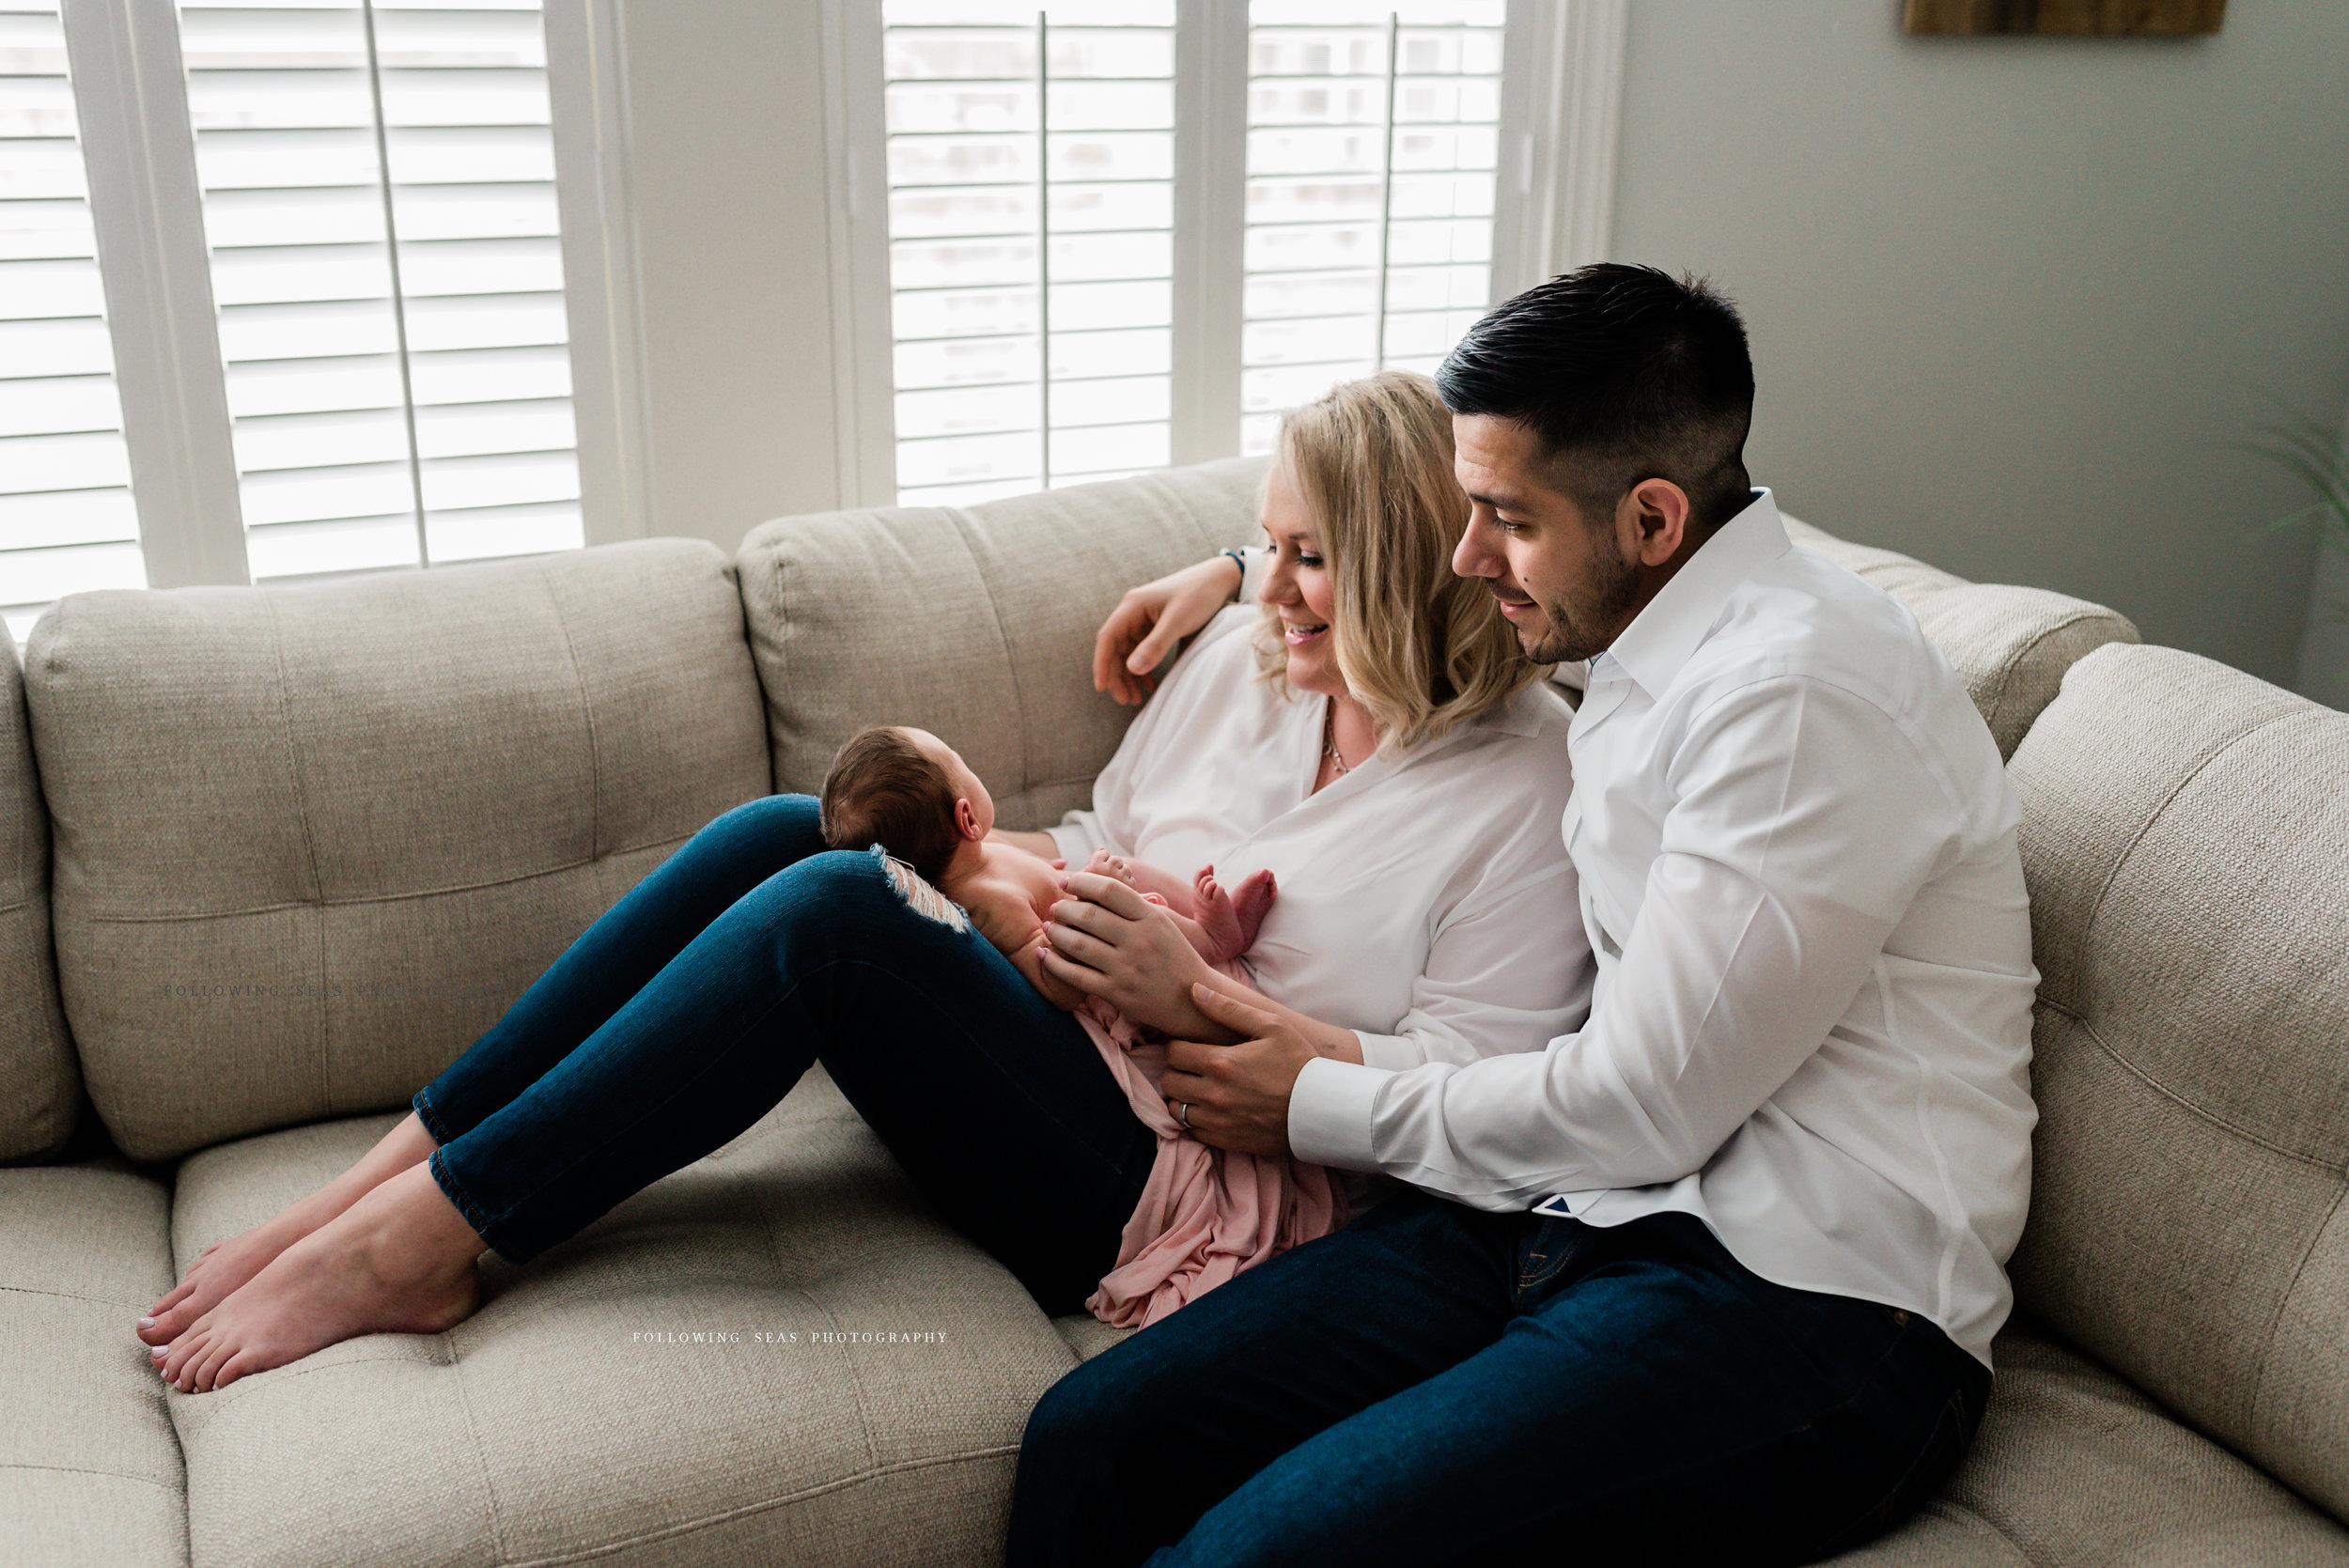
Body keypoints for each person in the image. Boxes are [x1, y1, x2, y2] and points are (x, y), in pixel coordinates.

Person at [132, 370, 1589, 1395]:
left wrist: (1196, 997)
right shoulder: (1255, 658)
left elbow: (1475, 1110)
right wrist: (1017, 890)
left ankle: (420, 1244)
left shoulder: (1523, 790)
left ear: (1411, 562)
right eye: (1262, 546)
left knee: (835, 914)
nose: (1268, 588)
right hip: (1071, 1027)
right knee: (790, 830)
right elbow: (1102, 838)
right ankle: (381, 1178)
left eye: (1307, 558)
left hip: (1195, 1172)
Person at [1008, 264, 2040, 1567]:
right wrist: (1241, 566)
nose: (1463, 553)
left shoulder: (1794, 702)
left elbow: (1647, 1103)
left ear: (1654, 519)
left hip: (1805, 1299)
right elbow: (1406, 571)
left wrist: (1310, 1097)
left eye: (1500, 516)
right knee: (1091, 1442)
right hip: (1562, 1211)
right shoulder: (1649, 604)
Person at [818, 722, 1320, 1327]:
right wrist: (1094, 899)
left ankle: (1211, 935)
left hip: (1106, 942)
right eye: (959, 759)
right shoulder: (985, 898)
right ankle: (1209, 939)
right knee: (1130, 904)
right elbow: (1054, 982)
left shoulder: (981, 859)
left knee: (1136, 888)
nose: (969, 761)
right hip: (1100, 994)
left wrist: (1086, 885)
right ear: (966, 817)